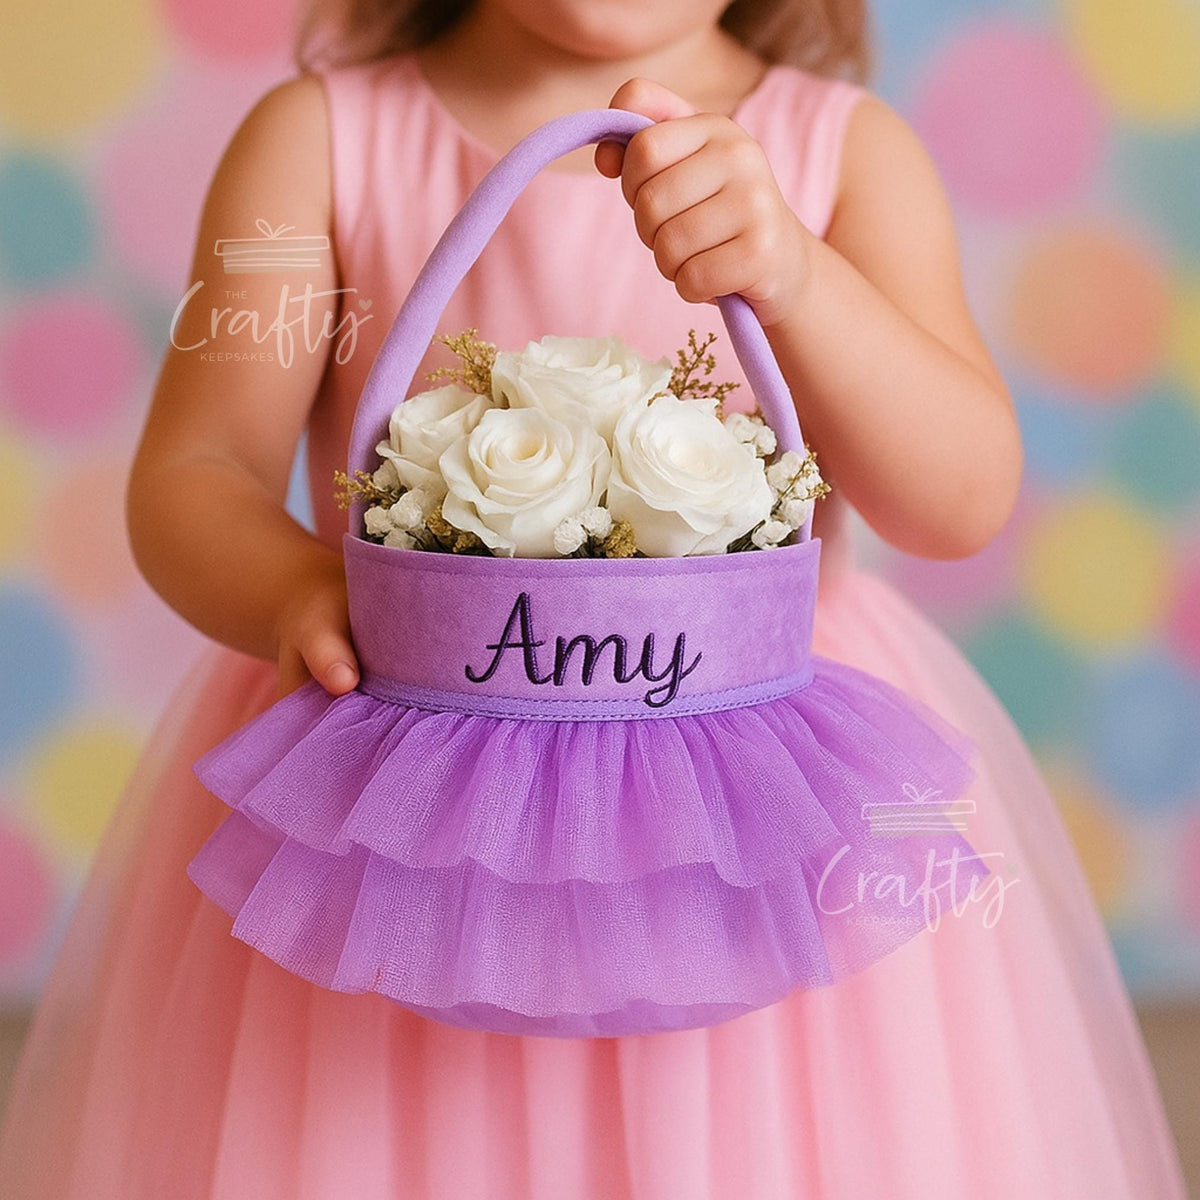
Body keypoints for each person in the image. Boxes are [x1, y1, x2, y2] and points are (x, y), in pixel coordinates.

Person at [0, 0, 1188, 1196]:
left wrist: (797, 276)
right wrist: (304, 589)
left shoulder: (843, 149)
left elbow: (959, 497)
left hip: (757, 818)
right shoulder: (316, 139)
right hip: (402, 798)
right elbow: (194, 473)